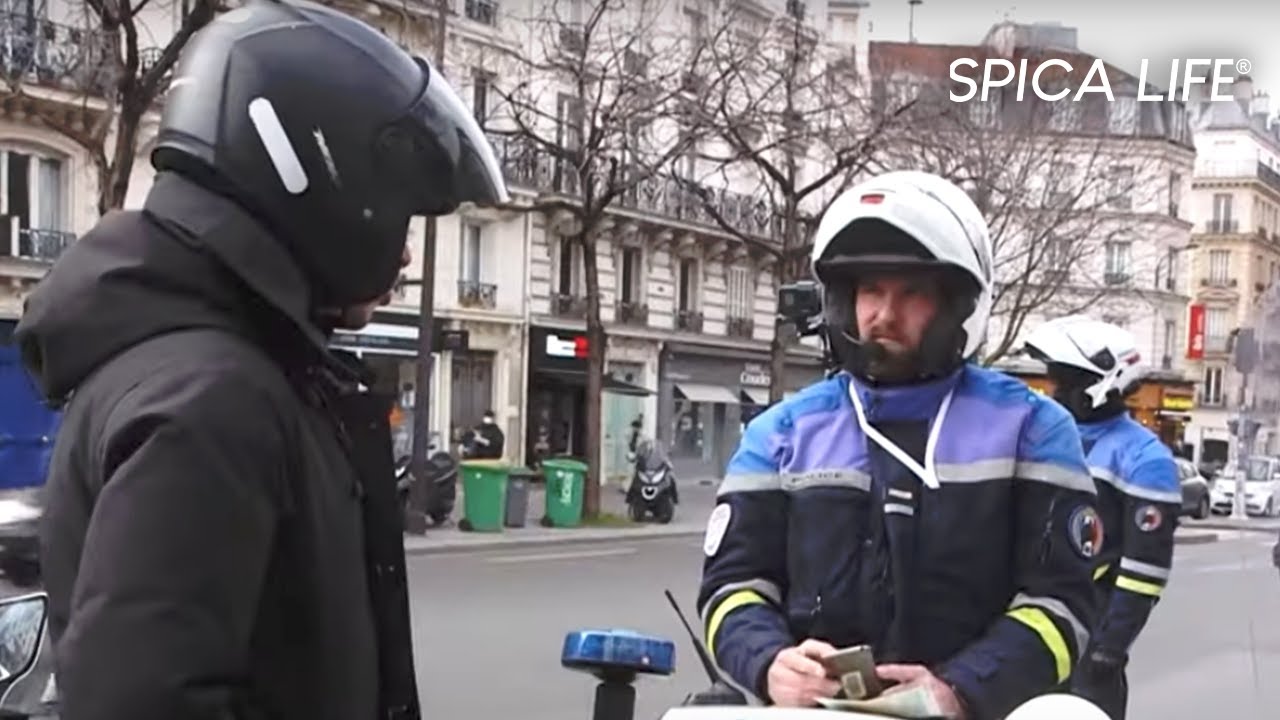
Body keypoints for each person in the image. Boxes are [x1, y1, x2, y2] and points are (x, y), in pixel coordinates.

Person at [13, 1, 507, 718]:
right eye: (396, 210)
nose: (404, 251)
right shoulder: (212, 402)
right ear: (316, 178)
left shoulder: (230, 370)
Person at [695, 171, 1101, 720]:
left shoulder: (1032, 428)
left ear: (957, 306)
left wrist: (961, 689)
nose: (883, 315)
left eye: (911, 292)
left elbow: (1062, 605)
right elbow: (733, 586)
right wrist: (770, 662)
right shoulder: (783, 432)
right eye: (870, 290)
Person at [1023, 316, 1180, 720]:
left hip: (1092, 640)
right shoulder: (1046, 441)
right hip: (1032, 629)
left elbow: (1144, 572)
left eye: (1065, 382)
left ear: (1101, 385)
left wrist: (1110, 645)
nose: (1055, 392)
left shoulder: (1145, 459)